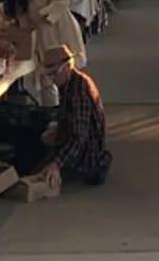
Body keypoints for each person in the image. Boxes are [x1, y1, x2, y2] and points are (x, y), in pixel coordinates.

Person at [0, 0, 89, 106]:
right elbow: (9, 19)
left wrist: (44, 15)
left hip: (59, 30)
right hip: (41, 37)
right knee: (46, 75)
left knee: (67, 71)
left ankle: (71, 107)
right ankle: (52, 111)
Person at [30, 49, 111, 191]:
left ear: (68, 66)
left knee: (35, 168)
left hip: (86, 155)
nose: (52, 79)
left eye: (54, 73)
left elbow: (78, 137)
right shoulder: (71, 82)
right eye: (50, 75)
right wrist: (57, 130)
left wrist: (56, 163)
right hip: (84, 146)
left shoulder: (78, 90)